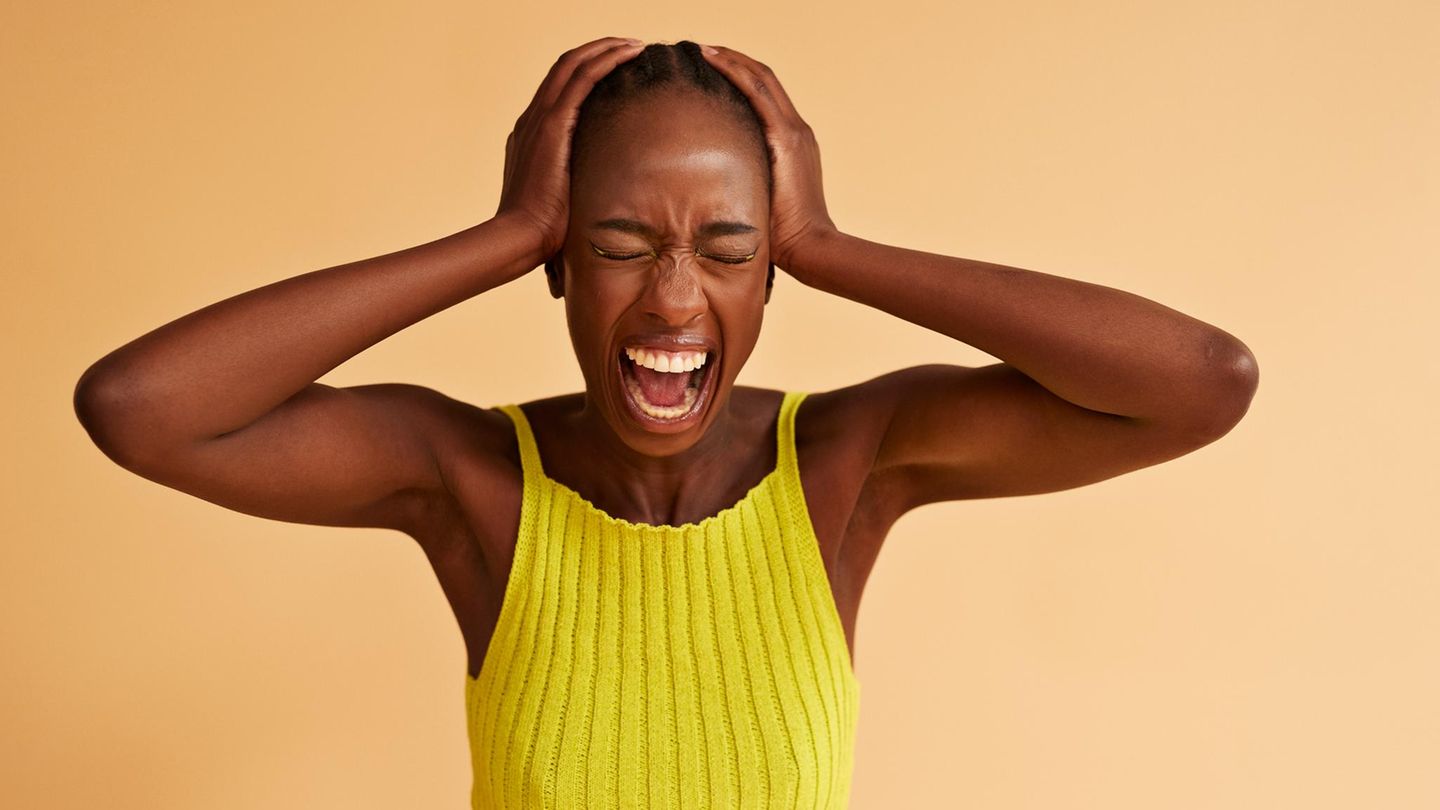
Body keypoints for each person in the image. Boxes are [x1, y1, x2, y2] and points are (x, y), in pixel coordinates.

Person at [72, 36, 1259, 809]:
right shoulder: (473, 482)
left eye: (732, 250)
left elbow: (1203, 381)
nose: (675, 298)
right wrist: (498, 235)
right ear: (562, 266)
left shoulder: (845, 466)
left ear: (769, 271)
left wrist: (833, 249)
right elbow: (141, 409)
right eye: (617, 245)